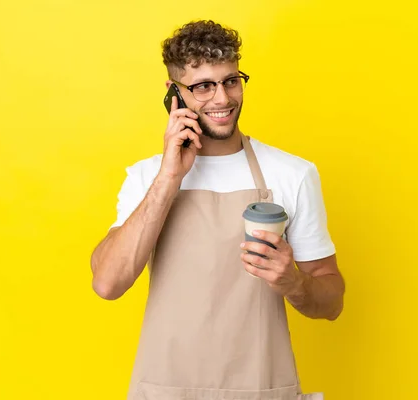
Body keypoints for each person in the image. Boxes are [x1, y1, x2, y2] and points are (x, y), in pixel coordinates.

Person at [90, 20, 345, 400]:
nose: (223, 99)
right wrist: (169, 177)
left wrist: (292, 281)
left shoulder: (292, 173)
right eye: (203, 86)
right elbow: (108, 283)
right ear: (174, 93)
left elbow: (332, 301)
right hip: (165, 390)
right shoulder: (148, 177)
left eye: (231, 81)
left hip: (260, 389)